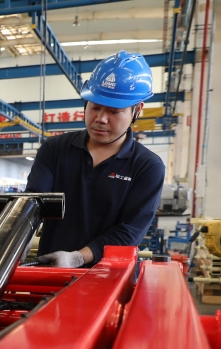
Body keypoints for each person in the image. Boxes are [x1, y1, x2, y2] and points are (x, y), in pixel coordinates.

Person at [25, 51, 166, 268]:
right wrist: (19, 236)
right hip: (52, 271)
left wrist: (78, 257)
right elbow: (33, 203)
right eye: (95, 107)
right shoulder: (55, 149)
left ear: (137, 110)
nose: (100, 119)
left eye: (114, 111)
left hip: (111, 278)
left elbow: (129, 231)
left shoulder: (147, 167)